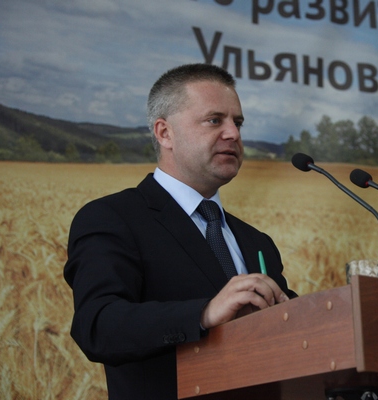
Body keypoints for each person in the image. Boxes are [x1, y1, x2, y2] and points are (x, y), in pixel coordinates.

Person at [64, 63, 296, 399]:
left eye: (238, 122)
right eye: (214, 120)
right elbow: (98, 325)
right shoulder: (112, 218)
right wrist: (204, 313)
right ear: (164, 133)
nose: (233, 134)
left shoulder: (256, 241)